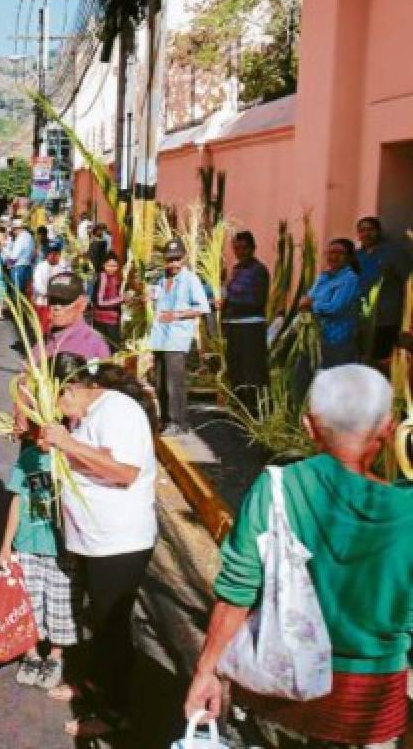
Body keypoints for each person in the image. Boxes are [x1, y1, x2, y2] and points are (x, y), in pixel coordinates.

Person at [185, 364, 413, 749]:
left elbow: (237, 592)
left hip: (288, 681)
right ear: (389, 427)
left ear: (309, 426)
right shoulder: (405, 507)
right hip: (372, 693)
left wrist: (206, 671)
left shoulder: (277, 488)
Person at [37, 353, 159, 740]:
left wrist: (66, 443)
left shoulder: (119, 412)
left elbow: (123, 471)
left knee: (111, 626)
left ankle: (115, 711)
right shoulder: (86, 414)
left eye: (56, 401)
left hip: (119, 540)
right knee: (95, 617)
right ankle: (92, 684)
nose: (58, 413)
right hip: (92, 537)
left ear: (70, 389)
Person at [0, 437, 81, 693]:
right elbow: (17, 501)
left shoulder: (71, 460)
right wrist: (6, 545)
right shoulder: (28, 458)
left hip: (62, 549)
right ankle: (31, 654)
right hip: (27, 545)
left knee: (61, 603)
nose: (43, 440)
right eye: (39, 434)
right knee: (29, 601)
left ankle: (55, 657)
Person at [149, 238, 211, 437]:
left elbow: (202, 307)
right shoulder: (161, 279)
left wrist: (177, 315)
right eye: (169, 260)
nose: (173, 264)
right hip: (159, 337)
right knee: (159, 380)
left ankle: (178, 422)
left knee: (173, 382)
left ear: (183, 258)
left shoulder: (190, 279)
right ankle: (166, 419)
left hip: (176, 338)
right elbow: (156, 300)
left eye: (177, 259)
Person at [221, 231, 270, 415]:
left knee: (252, 368)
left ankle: (255, 409)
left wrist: (229, 299)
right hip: (234, 325)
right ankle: (239, 406)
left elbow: (257, 300)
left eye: (243, 248)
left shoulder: (259, 270)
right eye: (236, 248)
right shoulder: (237, 269)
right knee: (236, 367)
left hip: (250, 325)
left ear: (252, 248)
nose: (239, 251)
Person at [354, 216, 410, 363]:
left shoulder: (394, 253)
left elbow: (408, 280)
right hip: (361, 319)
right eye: (362, 230)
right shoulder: (356, 256)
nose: (366, 234)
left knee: (382, 359)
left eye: (370, 230)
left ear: (378, 231)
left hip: (386, 318)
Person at [300, 238, 361, 369]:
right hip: (318, 338)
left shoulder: (350, 279)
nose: (334, 256)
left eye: (339, 253)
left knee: (334, 380)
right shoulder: (323, 277)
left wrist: (312, 305)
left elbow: (335, 308)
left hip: (338, 340)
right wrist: (308, 303)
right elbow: (308, 298)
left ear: (349, 257)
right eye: (331, 252)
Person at [41, 272, 111, 360]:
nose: (56, 307)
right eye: (52, 301)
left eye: (64, 302)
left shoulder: (93, 344)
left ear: (82, 304)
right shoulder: (44, 339)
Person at [31, 240, 70, 335]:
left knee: (58, 328)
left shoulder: (64, 266)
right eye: (51, 253)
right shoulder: (40, 267)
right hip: (43, 302)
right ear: (47, 254)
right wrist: (49, 293)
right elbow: (37, 284)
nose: (53, 256)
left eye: (56, 253)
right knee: (42, 327)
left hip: (59, 303)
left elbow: (68, 280)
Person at [91, 254, 124, 347]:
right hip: (104, 321)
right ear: (103, 265)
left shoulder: (114, 278)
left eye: (114, 266)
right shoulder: (103, 277)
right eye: (109, 266)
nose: (112, 268)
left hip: (111, 320)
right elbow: (99, 302)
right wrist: (121, 299)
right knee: (109, 348)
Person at [5, 219, 36, 298]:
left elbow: (14, 256)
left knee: (16, 293)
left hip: (18, 268)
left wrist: (8, 265)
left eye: (13, 230)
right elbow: (33, 253)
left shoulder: (20, 238)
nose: (13, 232)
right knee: (24, 293)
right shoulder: (29, 236)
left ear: (16, 229)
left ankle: (17, 309)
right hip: (27, 267)